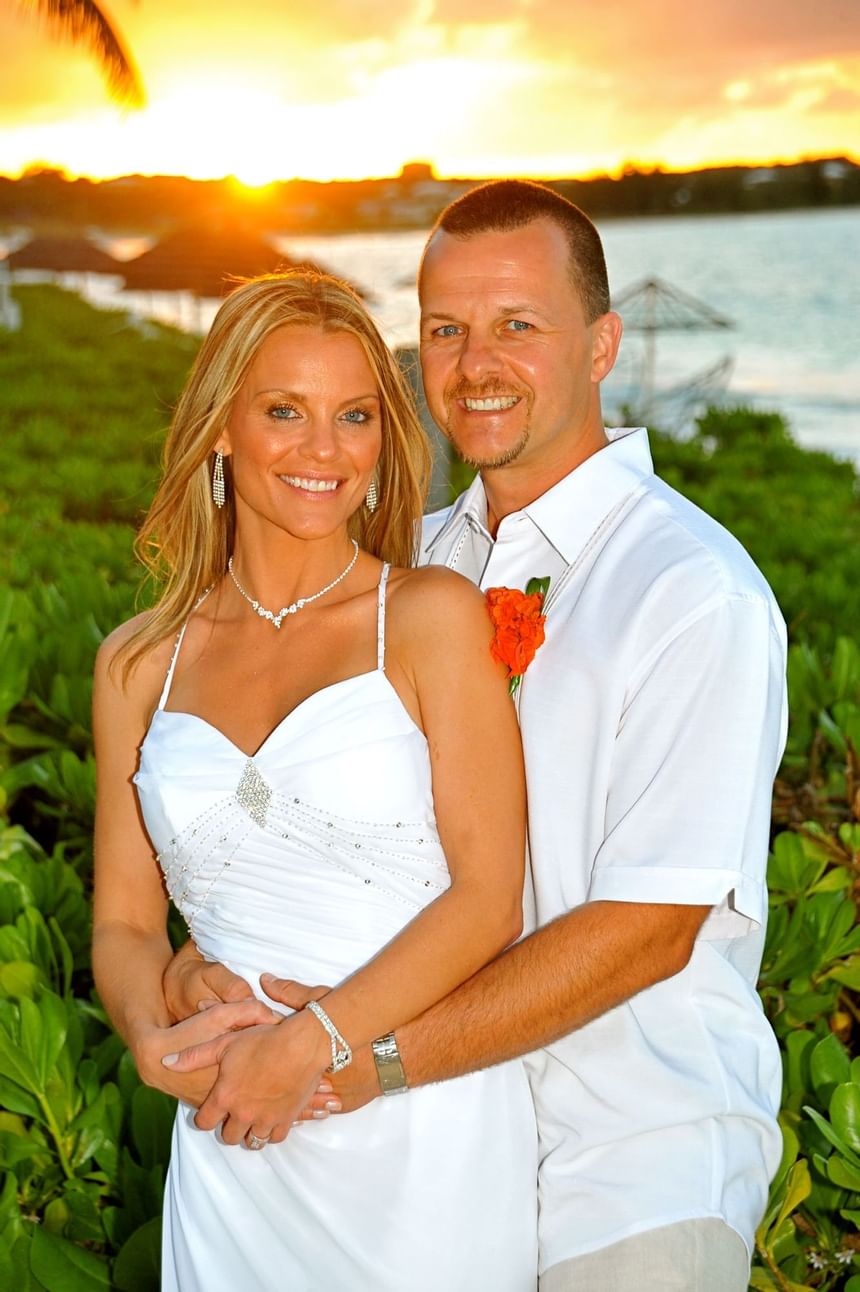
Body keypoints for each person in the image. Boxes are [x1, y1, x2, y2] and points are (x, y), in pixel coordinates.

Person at [165, 182, 788, 1291]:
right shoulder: (407, 573)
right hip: (423, 1161)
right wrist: (200, 959)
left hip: (630, 1164)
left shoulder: (690, 591)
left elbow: (647, 927)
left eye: (517, 325)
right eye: (445, 328)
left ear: (601, 344)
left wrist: (367, 1054)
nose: (474, 362)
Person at [91, 271, 539, 1292]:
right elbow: (122, 918)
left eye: (353, 415)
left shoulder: (429, 616)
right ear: (219, 428)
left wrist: (317, 1039)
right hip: (230, 1136)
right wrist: (151, 1034)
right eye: (283, 411)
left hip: (413, 1134)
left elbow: (487, 897)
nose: (323, 450)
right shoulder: (135, 663)